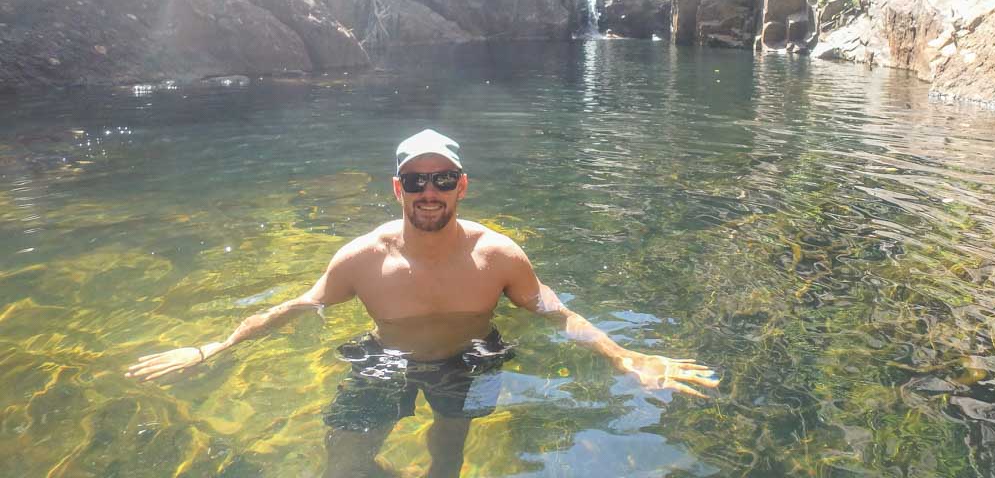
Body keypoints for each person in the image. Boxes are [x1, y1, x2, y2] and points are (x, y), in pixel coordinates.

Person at [127, 129, 719, 478]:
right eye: (415, 181)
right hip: (385, 360)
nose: (428, 192)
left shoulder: (498, 255)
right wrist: (213, 348)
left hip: (469, 359)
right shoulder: (362, 258)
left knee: (447, 459)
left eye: (441, 180)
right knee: (344, 464)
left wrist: (626, 357)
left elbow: (556, 312)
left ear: (462, 185)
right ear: (398, 189)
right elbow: (299, 306)